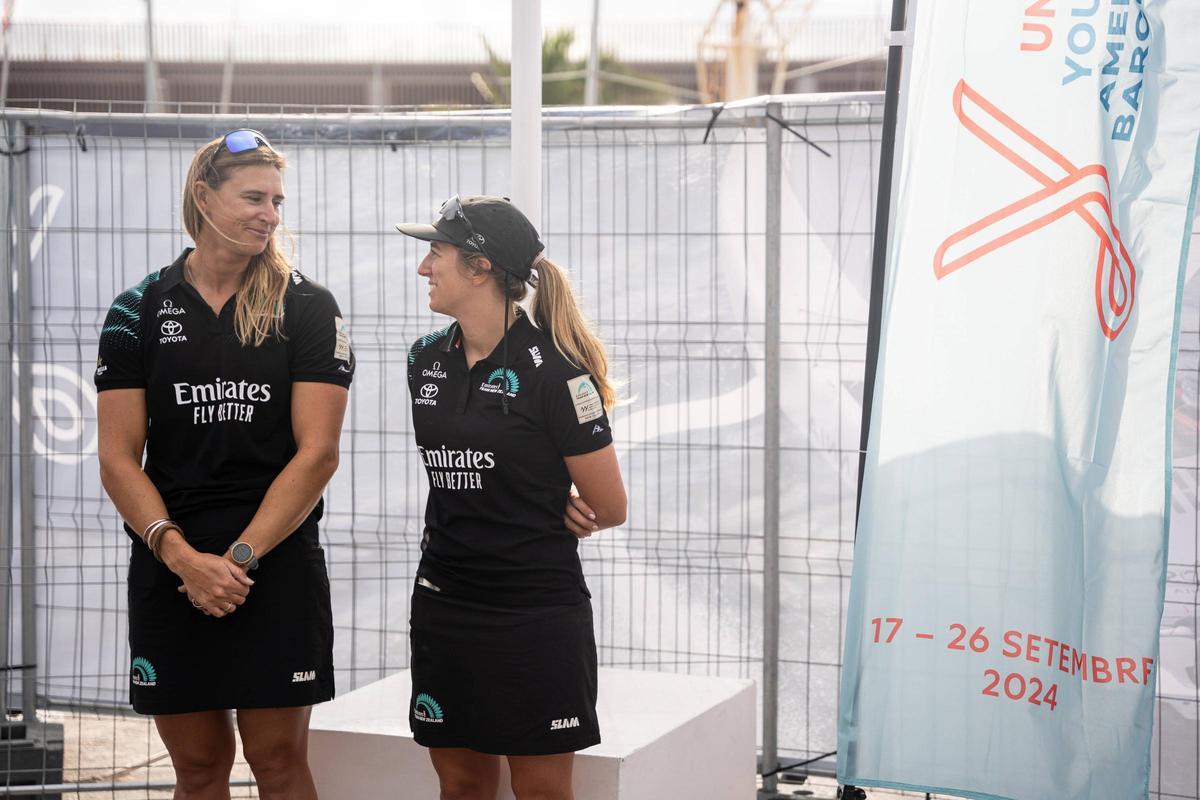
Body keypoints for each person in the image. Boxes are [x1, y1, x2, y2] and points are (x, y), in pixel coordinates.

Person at [95, 129, 354, 800]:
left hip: (273, 563)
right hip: (171, 568)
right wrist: (182, 558)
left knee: (277, 763)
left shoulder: (307, 306)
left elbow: (317, 454)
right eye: (254, 197)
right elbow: (118, 458)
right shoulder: (136, 310)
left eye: (277, 200)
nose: (270, 214)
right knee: (200, 767)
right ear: (204, 198)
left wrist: (237, 560)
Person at [397, 195, 627, 800]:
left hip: (535, 613)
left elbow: (611, 505)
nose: (424, 268)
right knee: (462, 784)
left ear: (479, 267)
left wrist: (565, 502)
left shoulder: (559, 373)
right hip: (445, 604)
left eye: (436, 253)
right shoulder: (425, 359)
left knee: (542, 791)